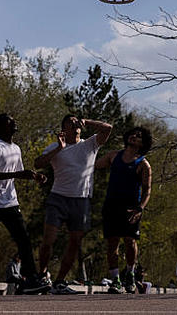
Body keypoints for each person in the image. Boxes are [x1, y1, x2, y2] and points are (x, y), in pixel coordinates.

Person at [0, 113, 50, 295]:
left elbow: (18, 171)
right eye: (9, 121)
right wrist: (18, 175)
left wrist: (35, 176)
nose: (14, 122)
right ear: (0, 127)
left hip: (9, 202)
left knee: (24, 240)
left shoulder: (16, 148)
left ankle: (30, 279)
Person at [35, 114, 112, 294]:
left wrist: (87, 121)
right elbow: (37, 163)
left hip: (81, 200)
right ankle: (42, 275)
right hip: (58, 198)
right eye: (71, 122)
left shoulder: (90, 144)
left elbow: (108, 128)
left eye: (77, 122)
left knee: (75, 241)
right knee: (48, 240)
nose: (75, 124)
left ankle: (59, 281)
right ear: (64, 129)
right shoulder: (55, 147)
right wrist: (58, 149)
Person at [95, 126, 152, 294]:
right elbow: (94, 165)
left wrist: (140, 208)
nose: (134, 136)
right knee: (112, 243)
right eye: (133, 134)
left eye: (139, 136)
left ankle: (130, 274)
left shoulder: (143, 163)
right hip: (111, 205)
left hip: (131, 208)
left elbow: (147, 190)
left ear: (143, 142)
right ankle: (115, 280)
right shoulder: (113, 156)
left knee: (129, 241)